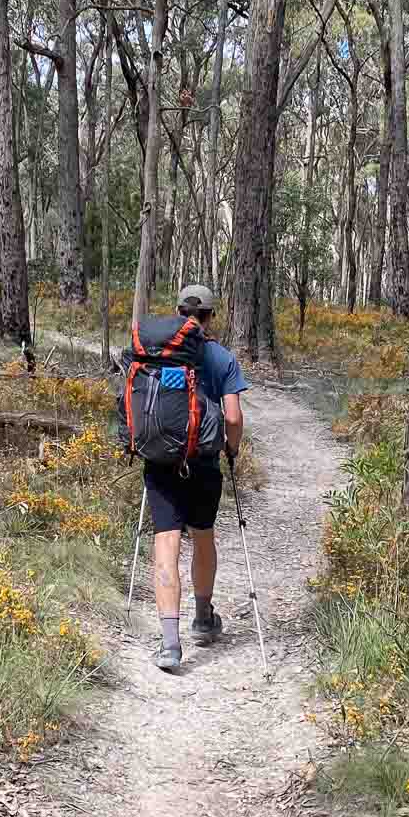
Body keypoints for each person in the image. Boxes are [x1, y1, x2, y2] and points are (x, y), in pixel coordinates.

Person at [147, 284, 247, 672]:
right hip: (203, 463)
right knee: (202, 537)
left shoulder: (158, 354)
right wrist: (231, 449)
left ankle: (170, 645)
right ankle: (203, 620)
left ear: (177, 311)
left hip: (161, 461)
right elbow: (234, 419)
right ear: (210, 316)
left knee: (166, 546)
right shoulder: (221, 358)